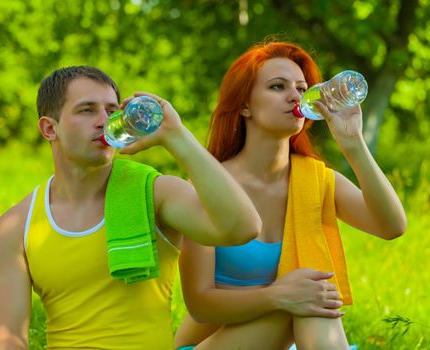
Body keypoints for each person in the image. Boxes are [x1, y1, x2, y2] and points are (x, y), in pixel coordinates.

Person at [0, 66, 262, 349]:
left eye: (110, 111)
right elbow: (8, 339)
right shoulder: (17, 226)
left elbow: (243, 227)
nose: (104, 121)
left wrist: (176, 136)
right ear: (49, 128)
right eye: (87, 110)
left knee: (280, 316)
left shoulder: (154, 193)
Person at [174, 40, 407, 349]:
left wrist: (353, 143)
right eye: (277, 87)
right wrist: (278, 296)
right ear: (244, 105)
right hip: (213, 342)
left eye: (301, 87)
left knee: (310, 299)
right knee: (309, 297)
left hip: (297, 334)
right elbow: (200, 306)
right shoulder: (208, 187)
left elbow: (391, 226)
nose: (296, 96)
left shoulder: (314, 180)